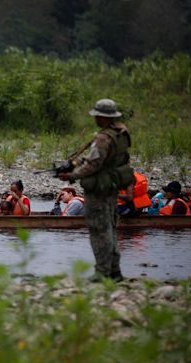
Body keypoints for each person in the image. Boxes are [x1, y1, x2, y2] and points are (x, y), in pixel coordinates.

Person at [58, 99, 134, 282]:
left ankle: (102, 272)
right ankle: (115, 272)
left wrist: (72, 176)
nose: (95, 119)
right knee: (111, 228)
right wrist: (76, 164)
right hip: (111, 187)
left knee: (100, 229)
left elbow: (94, 165)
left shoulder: (103, 138)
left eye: (97, 116)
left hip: (98, 189)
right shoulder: (120, 134)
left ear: (102, 117)